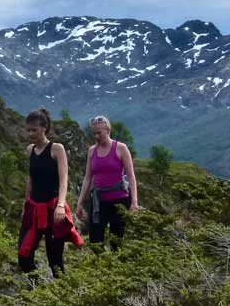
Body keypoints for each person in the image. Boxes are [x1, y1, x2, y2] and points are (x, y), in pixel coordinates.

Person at [18, 108, 83, 277]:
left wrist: (61, 206)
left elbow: (64, 179)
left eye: (35, 129)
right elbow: (31, 180)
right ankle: (37, 291)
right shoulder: (30, 150)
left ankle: (60, 297)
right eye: (29, 130)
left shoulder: (56, 149)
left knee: (55, 259)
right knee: (23, 257)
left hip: (53, 209)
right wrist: (25, 206)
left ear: (44, 128)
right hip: (33, 208)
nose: (31, 133)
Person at [76, 115, 139, 249]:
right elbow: (88, 177)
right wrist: (80, 202)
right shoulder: (92, 151)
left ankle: (116, 268)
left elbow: (131, 176)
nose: (97, 136)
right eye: (94, 133)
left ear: (108, 130)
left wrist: (134, 202)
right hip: (99, 201)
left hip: (120, 200)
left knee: (116, 241)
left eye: (99, 133)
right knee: (95, 241)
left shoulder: (121, 148)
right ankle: (99, 268)